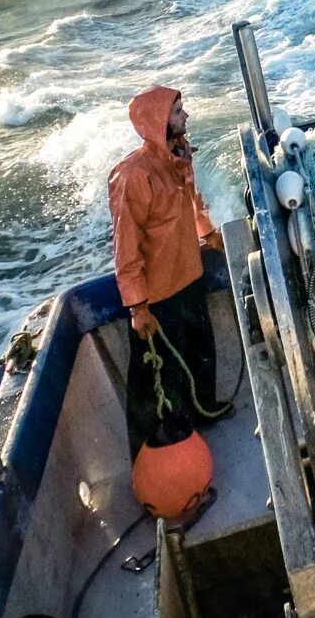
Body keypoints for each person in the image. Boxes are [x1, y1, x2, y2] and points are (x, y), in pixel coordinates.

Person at [109, 85, 226, 453]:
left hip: (190, 278)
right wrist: (137, 306)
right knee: (157, 379)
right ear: (159, 122)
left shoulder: (180, 158)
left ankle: (204, 411)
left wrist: (208, 233)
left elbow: (194, 201)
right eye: (178, 111)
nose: (186, 116)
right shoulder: (133, 175)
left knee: (201, 352)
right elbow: (125, 247)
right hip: (157, 296)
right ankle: (153, 453)